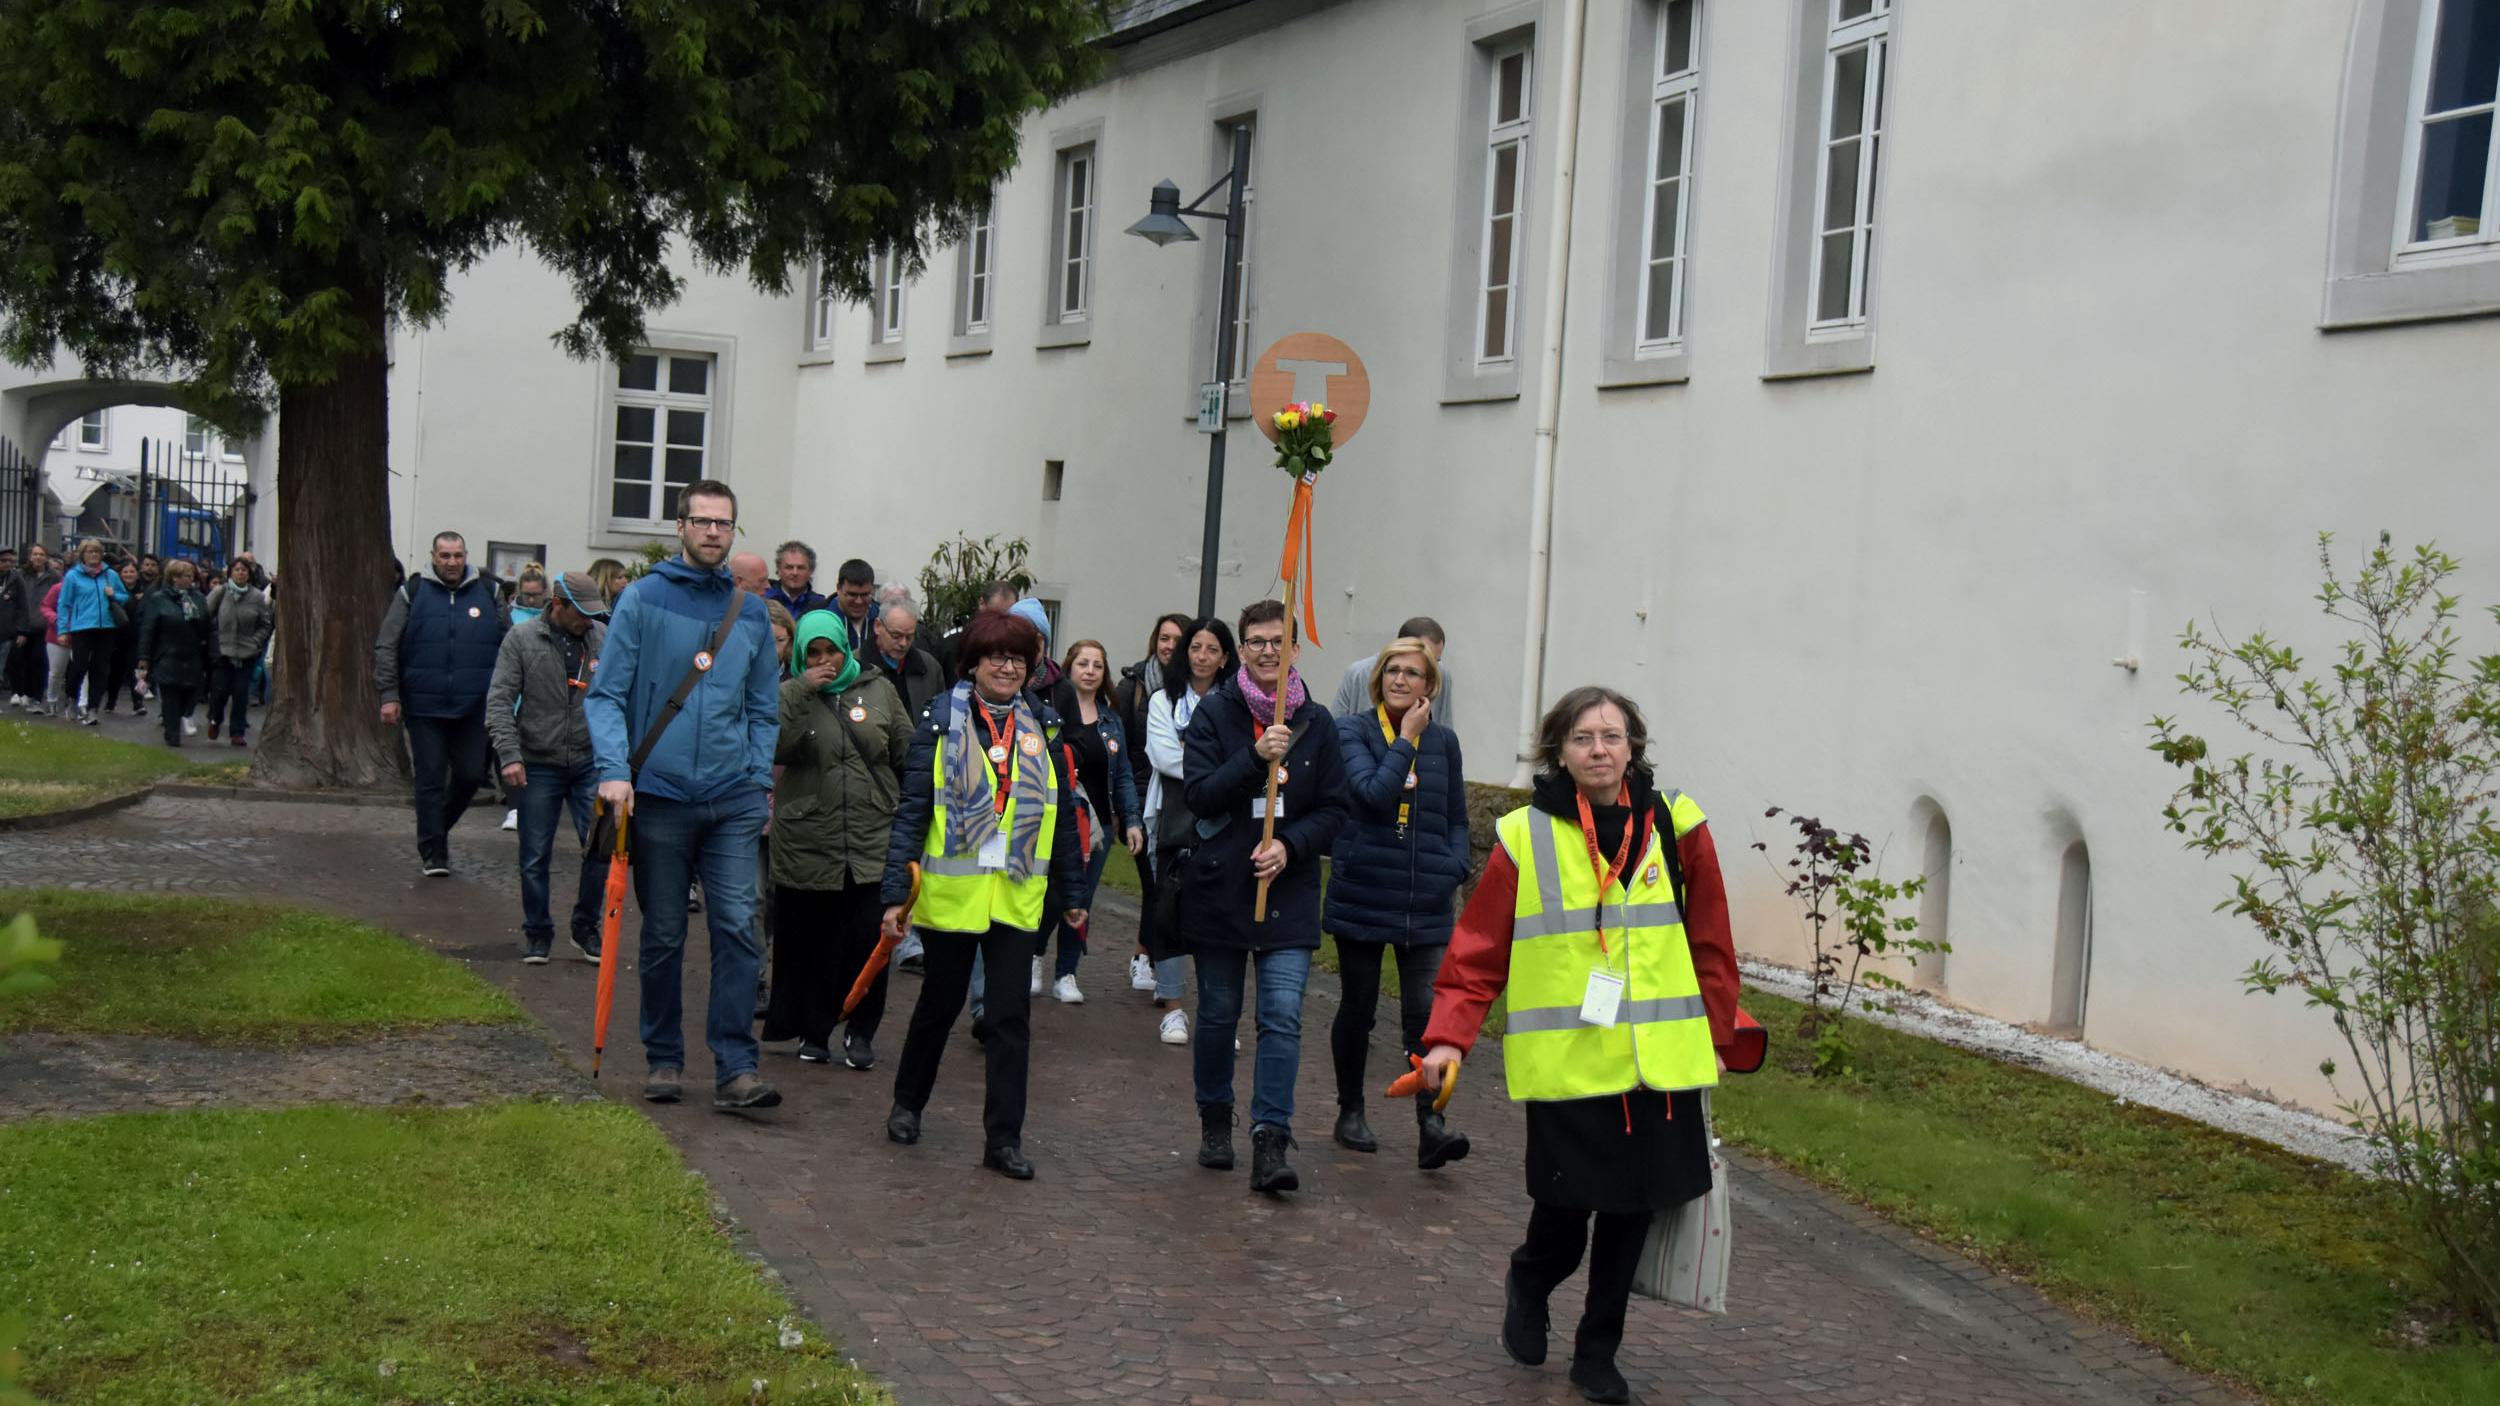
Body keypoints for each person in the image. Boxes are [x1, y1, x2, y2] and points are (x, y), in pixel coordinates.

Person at [1417, 686, 1742, 1405]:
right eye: (1583, 738)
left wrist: (1722, 1033)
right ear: (1558, 752)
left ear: (1634, 747)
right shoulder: (1524, 836)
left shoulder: (1676, 824)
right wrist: (1447, 1040)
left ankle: (1598, 1351)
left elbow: (1711, 937)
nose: (1600, 750)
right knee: (1567, 1211)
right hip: (1571, 1066)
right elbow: (1476, 953)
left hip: (1658, 1063)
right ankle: (1531, 1278)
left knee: (1632, 1214)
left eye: (1612, 737)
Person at [586, 480, 784, 1113]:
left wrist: (756, 781)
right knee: (666, 933)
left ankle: (736, 1067)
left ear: (733, 532)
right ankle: (664, 1058)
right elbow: (607, 694)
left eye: (724, 524)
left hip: (731, 800)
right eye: (701, 522)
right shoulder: (642, 600)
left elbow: (763, 708)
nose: (712, 532)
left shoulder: (749, 611)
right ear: (680, 527)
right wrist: (615, 770)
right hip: (660, 796)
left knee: (736, 926)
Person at [878, 608, 1089, 1181]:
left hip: (1018, 897)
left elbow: (1063, 816)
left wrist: (1073, 891)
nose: (1007, 666)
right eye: (996, 656)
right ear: (973, 662)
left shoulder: (1043, 725)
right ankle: (907, 1103)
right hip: (953, 897)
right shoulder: (942, 720)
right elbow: (912, 811)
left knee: (1010, 1019)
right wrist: (896, 894)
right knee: (939, 1006)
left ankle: (1003, 1140)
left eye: (1018, 658)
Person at [1179, 599, 1350, 1195]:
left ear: (1296, 649)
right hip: (1223, 891)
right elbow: (1199, 795)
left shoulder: (1319, 723)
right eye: (1256, 642)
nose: (1269, 651)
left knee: (1280, 1018)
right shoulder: (1214, 714)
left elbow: (1334, 808)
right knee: (1220, 1015)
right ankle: (1214, 1120)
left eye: (1280, 641)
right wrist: (1254, 757)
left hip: (1289, 893)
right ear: (1241, 650)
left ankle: (1270, 1138)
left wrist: (1291, 848)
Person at [1325, 639, 1473, 1168]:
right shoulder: (1353, 731)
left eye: (1413, 673)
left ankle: (1431, 1125)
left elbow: (1456, 815)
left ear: (1429, 686)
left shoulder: (1447, 743)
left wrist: (1454, 865)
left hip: (1426, 900)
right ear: (1378, 678)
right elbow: (1371, 794)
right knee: (1358, 1009)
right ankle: (1350, 1110)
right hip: (1365, 893)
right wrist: (1405, 740)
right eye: (1392, 671)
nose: (1400, 680)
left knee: (1426, 1019)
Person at [765, 610, 913, 1069]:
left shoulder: (879, 689)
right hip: (810, 838)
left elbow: (907, 751)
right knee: (815, 942)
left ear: (846, 649)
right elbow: (773, 745)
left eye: (832, 650)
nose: (825, 660)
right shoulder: (788, 693)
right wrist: (801, 688)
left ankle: (862, 1031)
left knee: (871, 938)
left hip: (873, 834)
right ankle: (815, 1028)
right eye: (814, 653)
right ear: (800, 655)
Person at [487, 571, 612, 964]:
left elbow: (617, 698)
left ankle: (584, 927)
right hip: (538, 762)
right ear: (557, 605)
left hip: (590, 760)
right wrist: (509, 755)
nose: (587, 620)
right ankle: (537, 931)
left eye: (594, 613)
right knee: (534, 852)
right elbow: (499, 700)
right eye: (581, 613)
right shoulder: (522, 640)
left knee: (599, 847)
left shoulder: (602, 639)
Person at [373, 531, 508, 877]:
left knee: (470, 775)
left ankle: (437, 828)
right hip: (424, 705)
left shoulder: (490, 593)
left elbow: (510, 647)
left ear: (466, 556)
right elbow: (387, 645)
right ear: (433, 556)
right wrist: (389, 695)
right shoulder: (412, 593)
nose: (452, 562)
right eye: (445, 556)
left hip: (474, 704)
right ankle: (434, 852)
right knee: (430, 777)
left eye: (458, 555)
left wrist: (506, 695)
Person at [1142, 617, 1235, 1045]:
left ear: (1225, 658)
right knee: (1170, 913)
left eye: (1211, 649)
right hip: (1176, 816)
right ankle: (1174, 1008)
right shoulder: (1164, 701)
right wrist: (1217, 764)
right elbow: (1164, 757)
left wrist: (1199, 757)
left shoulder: (1236, 703)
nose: (1202, 657)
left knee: (1222, 917)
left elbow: (1241, 756)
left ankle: (1219, 1015)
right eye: (1195, 648)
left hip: (1226, 820)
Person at [1037, 639, 1145, 1005]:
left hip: (1099, 825)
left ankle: (1066, 972)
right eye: (1083, 663)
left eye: (1097, 665)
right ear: (1068, 667)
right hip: (1059, 823)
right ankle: (1035, 956)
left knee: (1081, 898)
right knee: (1053, 896)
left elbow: (1124, 775)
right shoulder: (1053, 712)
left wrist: (1131, 820)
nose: (1090, 671)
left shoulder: (1111, 720)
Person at [1116, 613, 1191, 993]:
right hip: (1143, 797)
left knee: (1167, 887)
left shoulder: (1193, 691)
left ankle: (1151, 954)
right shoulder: (1135, 686)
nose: (1169, 646)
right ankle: (1145, 957)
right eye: (1164, 638)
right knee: (1156, 886)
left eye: (1178, 639)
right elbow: (1123, 748)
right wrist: (1127, 805)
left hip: (1179, 800)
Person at [1332, 616, 1457, 733]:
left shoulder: (1441, 674)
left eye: (1436, 660)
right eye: (1392, 671)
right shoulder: (1358, 673)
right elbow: (1334, 731)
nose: (1432, 667)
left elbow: (1445, 727)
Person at [135, 559, 212, 747]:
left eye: (192, 576)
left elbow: (207, 626)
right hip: (167, 653)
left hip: (192, 653)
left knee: (190, 691)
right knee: (170, 695)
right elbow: (148, 629)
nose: (191, 580)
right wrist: (144, 656)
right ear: (174, 578)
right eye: (186, 576)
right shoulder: (159, 599)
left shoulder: (198, 598)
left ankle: (182, 717)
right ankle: (172, 732)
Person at [52, 539, 128, 725]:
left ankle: (93, 708)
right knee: (79, 665)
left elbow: (125, 596)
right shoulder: (73, 576)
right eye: (90, 552)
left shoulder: (110, 574)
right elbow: (64, 604)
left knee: (100, 668)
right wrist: (62, 630)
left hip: (106, 627)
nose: (93, 555)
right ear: (82, 555)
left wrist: (113, 595)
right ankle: (71, 698)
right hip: (82, 627)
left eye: (97, 552)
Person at [203, 558, 273, 745]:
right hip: (223, 650)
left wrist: (256, 641)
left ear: (249, 574)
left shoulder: (257, 597)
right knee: (219, 691)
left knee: (240, 693)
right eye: (237, 570)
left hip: (246, 651)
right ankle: (215, 719)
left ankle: (237, 731)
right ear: (231, 573)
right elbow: (205, 614)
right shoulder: (221, 592)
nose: (240, 573)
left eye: (244, 570)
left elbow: (265, 624)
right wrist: (212, 639)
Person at [931, 578, 1019, 678]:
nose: (999, 621)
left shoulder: (1016, 644)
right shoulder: (954, 641)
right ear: (981, 603)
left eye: (1007, 616)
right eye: (994, 614)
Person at [868, 600, 944, 715]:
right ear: (878, 626)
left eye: (909, 637)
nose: (903, 643)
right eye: (896, 635)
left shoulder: (929, 667)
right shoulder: (857, 666)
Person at [6, 544, 53, 711]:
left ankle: (36, 695)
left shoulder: (54, 577)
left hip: (43, 626)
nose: (38, 557)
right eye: (35, 554)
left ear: (46, 557)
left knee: (38, 660)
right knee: (18, 659)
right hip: (23, 625)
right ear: (30, 556)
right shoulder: (20, 575)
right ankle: (19, 692)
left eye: (41, 554)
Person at [103, 561, 145, 718]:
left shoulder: (144, 591)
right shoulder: (115, 591)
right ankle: (111, 701)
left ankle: (139, 702)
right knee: (116, 671)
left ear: (137, 574)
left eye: (132, 571)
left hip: (137, 636)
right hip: (118, 636)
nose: (128, 575)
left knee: (139, 672)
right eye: (125, 572)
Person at [767, 540, 827, 618]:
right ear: (779, 570)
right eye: (789, 567)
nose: (795, 573)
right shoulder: (765, 600)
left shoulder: (820, 606)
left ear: (811, 571)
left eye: (801, 568)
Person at [831, 558, 877, 644]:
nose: (859, 601)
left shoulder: (882, 619)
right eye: (852, 594)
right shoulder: (824, 621)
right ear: (838, 588)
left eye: (865, 595)